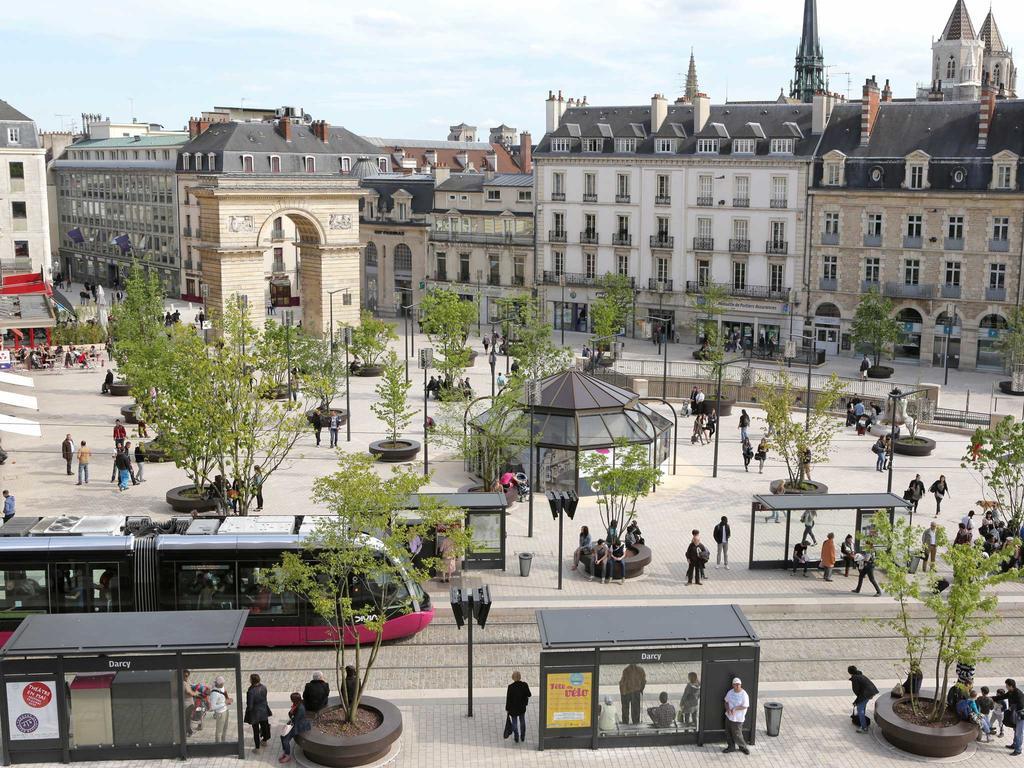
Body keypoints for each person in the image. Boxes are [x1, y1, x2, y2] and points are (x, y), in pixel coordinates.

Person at [279, 691, 311, 764]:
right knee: (282, 736)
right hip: (295, 723)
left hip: (299, 726)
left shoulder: (300, 708)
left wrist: (291, 712)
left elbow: (295, 719)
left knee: (285, 739)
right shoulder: (297, 704)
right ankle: (285, 751)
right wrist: (291, 711)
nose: (291, 701)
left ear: (294, 700)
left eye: (292, 699)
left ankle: (287, 755)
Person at [994, 680, 1024, 753]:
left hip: (1021, 715)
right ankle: (1014, 744)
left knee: (1019, 732)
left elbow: (1022, 705)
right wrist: (991, 698)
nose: (1006, 687)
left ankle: (1018, 750)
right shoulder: (1011, 692)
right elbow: (1002, 697)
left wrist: (1013, 708)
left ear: (1010, 686)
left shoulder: (1018, 693)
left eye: (1007, 685)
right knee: (1015, 730)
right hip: (1015, 714)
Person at [244, 673, 272, 751]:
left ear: (252, 680)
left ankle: (257, 748)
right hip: (263, 710)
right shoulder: (264, 687)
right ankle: (265, 741)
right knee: (264, 727)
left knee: (255, 730)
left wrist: (248, 711)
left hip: (255, 713)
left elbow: (250, 705)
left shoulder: (251, 691)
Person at [723, 678, 750, 754]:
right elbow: (726, 702)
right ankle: (731, 747)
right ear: (733, 685)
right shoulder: (730, 692)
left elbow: (745, 706)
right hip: (729, 716)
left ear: (741, 685)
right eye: (735, 684)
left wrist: (735, 708)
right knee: (728, 732)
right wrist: (728, 709)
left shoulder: (744, 694)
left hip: (738, 718)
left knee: (737, 734)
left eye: (738, 684)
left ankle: (743, 747)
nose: (737, 686)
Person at [849, 666, 879, 734]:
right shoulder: (860, 675)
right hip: (871, 691)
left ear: (850, 673)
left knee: (860, 709)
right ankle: (862, 720)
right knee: (862, 705)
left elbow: (858, 692)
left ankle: (864, 728)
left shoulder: (855, 679)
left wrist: (856, 701)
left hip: (866, 694)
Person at [504, 671, 532, 744]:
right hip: (522, 707)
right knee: (522, 721)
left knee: (514, 723)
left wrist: (507, 708)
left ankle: (516, 736)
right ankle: (522, 736)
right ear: (520, 677)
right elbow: (529, 694)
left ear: (513, 678)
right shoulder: (524, 685)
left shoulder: (510, 687)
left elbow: (508, 699)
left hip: (513, 709)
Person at [209, 676, 233, 743]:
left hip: (225, 710)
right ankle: (218, 745)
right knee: (219, 731)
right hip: (220, 713)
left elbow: (224, 691)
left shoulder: (221, 687)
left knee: (225, 728)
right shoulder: (214, 693)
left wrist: (227, 699)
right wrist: (225, 703)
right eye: (222, 684)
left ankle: (223, 742)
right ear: (218, 684)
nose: (223, 685)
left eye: (223, 683)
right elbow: (212, 707)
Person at [182, 670, 199, 737]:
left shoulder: (187, 681)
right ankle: (189, 732)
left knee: (188, 719)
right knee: (187, 719)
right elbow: (188, 692)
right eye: (185, 676)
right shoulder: (183, 682)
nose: (186, 677)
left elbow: (192, 687)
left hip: (190, 704)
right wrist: (195, 694)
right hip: (186, 704)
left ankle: (188, 731)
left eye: (187, 676)